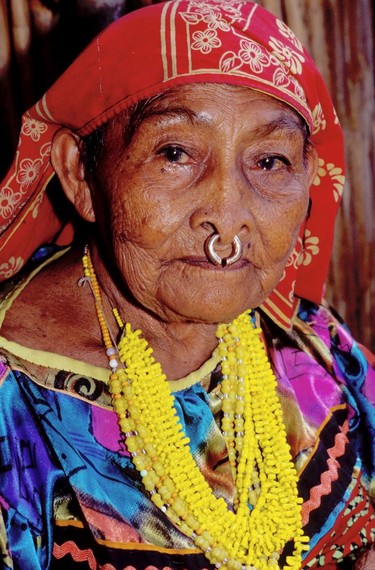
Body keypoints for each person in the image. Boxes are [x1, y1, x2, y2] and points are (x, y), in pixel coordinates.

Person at [0, 1, 373, 568]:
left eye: (270, 161)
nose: (228, 214)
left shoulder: (303, 337)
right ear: (80, 172)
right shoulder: (12, 409)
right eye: (175, 153)